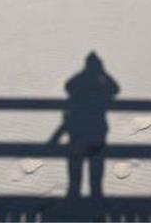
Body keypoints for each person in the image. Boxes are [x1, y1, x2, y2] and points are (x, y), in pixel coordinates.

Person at [49, 52, 120, 199]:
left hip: (77, 132)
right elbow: (115, 89)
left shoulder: (79, 85)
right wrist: (103, 72)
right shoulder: (101, 87)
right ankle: (94, 206)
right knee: (95, 177)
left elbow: (68, 85)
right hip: (96, 132)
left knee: (76, 175)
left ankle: (75, 207)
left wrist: (84, 71)